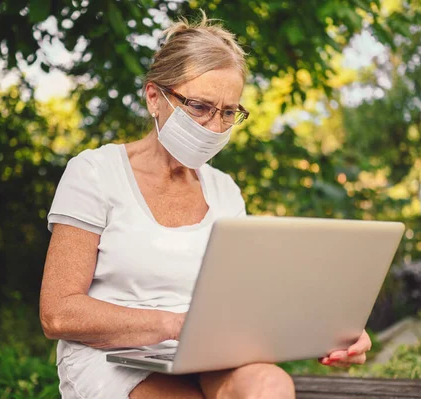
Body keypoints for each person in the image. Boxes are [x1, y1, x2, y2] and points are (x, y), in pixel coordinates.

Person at [39, 12, 372, 399]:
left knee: (270, 385)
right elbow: (58, 313)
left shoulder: (225, 191)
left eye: (229, 112)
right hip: (114, 356)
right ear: (154, 97)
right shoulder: (95, 173)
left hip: (207, 354)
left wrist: (327, 333)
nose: (215, 127)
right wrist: (179, 325)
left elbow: (249, 301)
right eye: (199, 106)